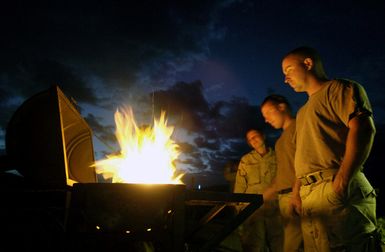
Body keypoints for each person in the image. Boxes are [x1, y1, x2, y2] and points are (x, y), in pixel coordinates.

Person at [282, 46, 381, 251]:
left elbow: (363, 129)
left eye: (289, 70)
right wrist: (296, 193)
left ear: (308, 64)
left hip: (334, 187)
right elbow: (304, 155)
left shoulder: (340, 89)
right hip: (309, 196)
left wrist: (341, 182)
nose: (286, 79)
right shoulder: (302, 113)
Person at [260, 94, 303, 252]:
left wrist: (296, 192)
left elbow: (306, 162)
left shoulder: (300, 127)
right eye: (264, 116)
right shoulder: (280, 141)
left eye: (268, 113)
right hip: (285, 197)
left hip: (297, 196)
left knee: (292, 246)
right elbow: (283, 173)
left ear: (282, 107)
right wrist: (265, 195)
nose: (266, 119)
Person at [234, 129, 283, 252]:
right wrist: (239, 209)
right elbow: (240, 185)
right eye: (250, 139)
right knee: (254, 246)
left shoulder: (278, 157)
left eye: (255, 136)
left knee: (279, 244)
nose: (253, 140)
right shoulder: (246, 160)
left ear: (263, 136)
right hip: (253, 210)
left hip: (275, 208)